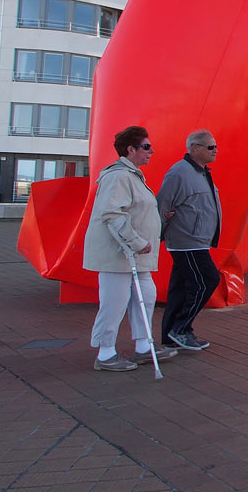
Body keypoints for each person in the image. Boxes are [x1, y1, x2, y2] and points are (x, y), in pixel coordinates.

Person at [84, 126, 179, 371]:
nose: (151, 151)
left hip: (136, 256)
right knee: (114, 303)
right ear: (131, 149)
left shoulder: (132, 175)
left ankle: (143, 347)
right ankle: (105, 354)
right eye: (146, 147)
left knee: (145, 297)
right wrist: (137, 242)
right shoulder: (118, 176)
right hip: (119, 255)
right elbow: (112, 213)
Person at [157, 129, 222, 352]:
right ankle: (181, 329)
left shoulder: (201, 172)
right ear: (195, 148)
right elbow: (163, 204)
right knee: (207, 280)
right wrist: (161, 232)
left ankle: (170, 336)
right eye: (210, 147)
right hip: (187, 241)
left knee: (181, 287)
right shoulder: (179, 173)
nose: (215, 151)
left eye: (215, 146)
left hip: (196, 240)